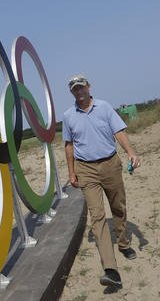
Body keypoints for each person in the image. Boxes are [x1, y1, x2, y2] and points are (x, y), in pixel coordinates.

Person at [62, 74, 141, 289]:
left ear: (88, 87)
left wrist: (130, 152)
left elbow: (119, 132)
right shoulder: (68, 116)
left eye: (81, 87)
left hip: (110, 164)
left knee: (118, 207)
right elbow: (68, 145)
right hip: (85, 169)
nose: (79, 92)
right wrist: (71, 172)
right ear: (72, 92)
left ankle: (124, 243)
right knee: (97, 217)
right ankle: (111, 270)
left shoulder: (104, 107)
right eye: (75, 89)